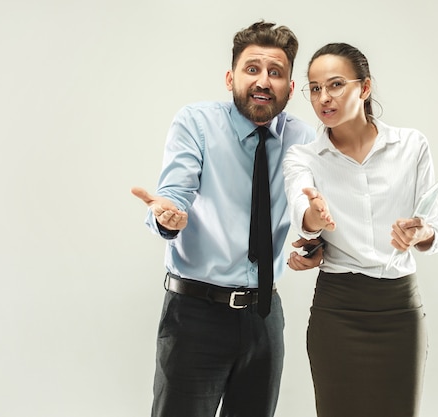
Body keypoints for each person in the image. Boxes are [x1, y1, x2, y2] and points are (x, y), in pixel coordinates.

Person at [131, 21, 321, 417]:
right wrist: (169, 216)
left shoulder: (304, 139)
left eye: (276, 72)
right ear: (230, 77)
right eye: (252, 69)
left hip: (264, 318)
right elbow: (175, 193)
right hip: (196, 315)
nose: (263, 81)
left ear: (289, 86)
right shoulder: (197, 123)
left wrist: (317, 244)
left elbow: (316, 208)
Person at [283, 42, 438, 417]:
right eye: (315, 88)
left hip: (399, 311)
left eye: (336, 84)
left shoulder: (412, 146)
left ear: (365, 88)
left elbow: (434, 230)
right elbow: (300, 204)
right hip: (337, 310)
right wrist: (314, 217)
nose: (324, 97)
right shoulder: (303, 157)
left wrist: (420, 234)